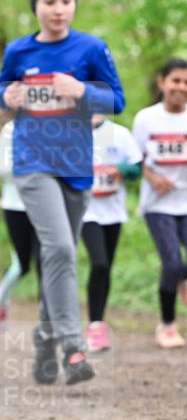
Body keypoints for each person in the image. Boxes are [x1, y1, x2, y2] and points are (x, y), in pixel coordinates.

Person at [0, 0, 125, 386]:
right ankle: (73, 345)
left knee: (56, 258)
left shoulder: (90, 49)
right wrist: (7, 95)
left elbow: (117, 99)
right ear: (35, 4)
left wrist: (83, 91)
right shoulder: (19, 51)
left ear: (74, 4)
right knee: (61, 250)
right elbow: (1, 89)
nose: (58, 8)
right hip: (32, 162)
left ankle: (44, 338)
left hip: (76, 166)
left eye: (66, 0)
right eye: (49, 0)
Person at [132, 57, 187, 348]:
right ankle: (167, 326)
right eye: (176, 80)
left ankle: (181, 278)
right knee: (172, 263)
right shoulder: (145, 119)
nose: (181, 87)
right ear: (162, 82)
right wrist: (152, 177)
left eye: (186, 83)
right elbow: (135, 158)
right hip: (158, 204)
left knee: (180, 268)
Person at [80, 114, 142, 351]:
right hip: (86, 213)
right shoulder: (70, 134)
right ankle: (95, 325)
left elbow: (137, 167)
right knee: (100, 264)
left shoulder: (120, 134)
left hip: (113, 212)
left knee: (107, 267)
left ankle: (100, 323)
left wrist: (121, 169)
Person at [0, 119, 40, 326]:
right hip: (15, 205)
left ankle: (48, 319)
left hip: (46, 207)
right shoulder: (12, 128)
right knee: (22, 264)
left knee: (45, 261)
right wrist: (29, 165)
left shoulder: (59, 127)